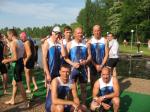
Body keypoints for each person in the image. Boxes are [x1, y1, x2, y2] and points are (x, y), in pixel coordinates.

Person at [2, 29, 29, 107]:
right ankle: (13, 100)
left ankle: (26, 103)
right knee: (14, 83)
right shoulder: (20, 41)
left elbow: (15, 58)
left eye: (8, 35)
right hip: (20, 63)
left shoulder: (14, 43)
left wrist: (7, 60)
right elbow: (24, 55)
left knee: (19, 84)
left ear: (11, 34)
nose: (8, 37)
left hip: (17, 64)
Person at [65, 27, 91, 105]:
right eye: (78, 33)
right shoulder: (69, 44)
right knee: (71, 89)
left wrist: (86, 61)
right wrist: (73, 64)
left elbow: (90, 56)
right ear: (74, 34)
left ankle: (83, 105)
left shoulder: (86, 44)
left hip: (83, 70)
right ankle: (71, 105)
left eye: (81, 33)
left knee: (83, 89)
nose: (80, 34)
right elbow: (65, 58)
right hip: (73, 70)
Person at [43, 26, 66, 111]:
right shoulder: (47, 42)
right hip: (51, 70)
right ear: (52, 33)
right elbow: (44, 59)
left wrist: (62, 43)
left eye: (59, 34)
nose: (57, 35)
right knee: (49, 89)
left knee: (58, 88)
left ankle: (57, 107)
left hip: (59, 71)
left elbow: (64, 55)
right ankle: (47, 108)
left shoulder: (59, 43)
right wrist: (47, 73)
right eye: (56, 33)